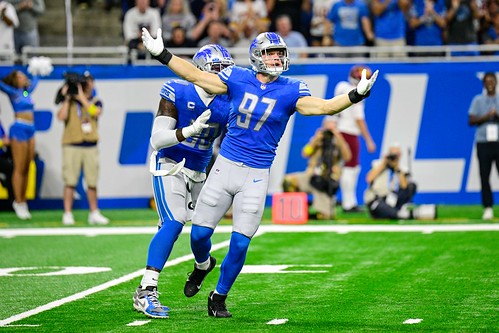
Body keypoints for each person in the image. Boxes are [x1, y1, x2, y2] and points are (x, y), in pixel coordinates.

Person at [141, 27, 379, 317]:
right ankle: (202, 265)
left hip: (256, 173)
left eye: (280, 53)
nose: (277, 58)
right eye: (271, 53)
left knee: (241, 241)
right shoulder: (238, 77)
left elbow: (325, 107)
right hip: (225, 166)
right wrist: (161, 54)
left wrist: (356, 95)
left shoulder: (291, 88)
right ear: (257, 56)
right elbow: (196, 76)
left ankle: (219, 297)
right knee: (200, 235)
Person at [132, 44, 234, 319]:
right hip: (169, 165)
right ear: (200, 70)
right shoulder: (178, 90)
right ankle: (145, 291)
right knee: (175, 221)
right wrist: (187, 131)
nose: (223, 76)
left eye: (227, 70)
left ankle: (203, 266)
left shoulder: (230, 99)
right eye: (217, 70)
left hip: (200, 171)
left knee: (202, 233)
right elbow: (157, 139)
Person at [56, 71, 109, 225]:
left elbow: (95, 113)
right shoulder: (71, 102)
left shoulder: (95, 101)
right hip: (71, 145)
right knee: (70, 181)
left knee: (92, 181)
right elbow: (61, 117)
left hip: (90, 146)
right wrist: (67, 98)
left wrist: (81, 97)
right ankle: (67, 213)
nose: (87, 84)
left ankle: (94, 212)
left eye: (89, 81)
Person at [328, 65, 376, 213]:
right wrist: (368, 139)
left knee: (345, 167)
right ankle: (349, 203)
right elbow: (359, 118)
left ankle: (346, 201)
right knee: (351, 168)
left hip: (339, 130)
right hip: (348, 132)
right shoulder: (356, 92)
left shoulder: (341, 86)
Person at [282, 118, 351, 219]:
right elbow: (305, 153)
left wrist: (338, 136)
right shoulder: (318, 140)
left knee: (325, 216)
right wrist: (316, 139)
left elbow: (347, 157)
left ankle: (314, 213)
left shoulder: (339, 143)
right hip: (311, 177)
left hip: (326, 181)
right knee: (288, 181)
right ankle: (294, 210)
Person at [0, 69, 38, 219]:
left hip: (31, 129)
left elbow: (35, 83)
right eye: (20, 76)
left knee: (28, 166)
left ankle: (23, 200)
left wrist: (37, 71)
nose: (24, 78)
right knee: (19, 167)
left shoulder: (25, 93)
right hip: (19, 128)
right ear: (15, 80)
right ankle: (18, 201)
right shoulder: (13, 93)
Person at [363, 143, 436, 220]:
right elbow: (369, 179)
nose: (394, 157)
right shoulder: (378, 164)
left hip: (392, 199)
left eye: (396, 155)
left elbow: (404, 188)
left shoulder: (402, 169)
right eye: (392, 154)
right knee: (381, 206)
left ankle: (399, 213)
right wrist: (384, 164)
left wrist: (397, 168)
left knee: (411, 186)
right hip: (378, 199)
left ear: (400, 156)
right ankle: (404, 214)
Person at [468, 72, 499, 220]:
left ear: (496, 82)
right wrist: (487, 116)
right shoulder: (478, 100)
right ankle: (488, 207)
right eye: (487, 81)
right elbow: (471, 120)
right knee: (484, 176)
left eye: (492, 80)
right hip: (483, 142)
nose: (490, 83)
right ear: (484, 84)